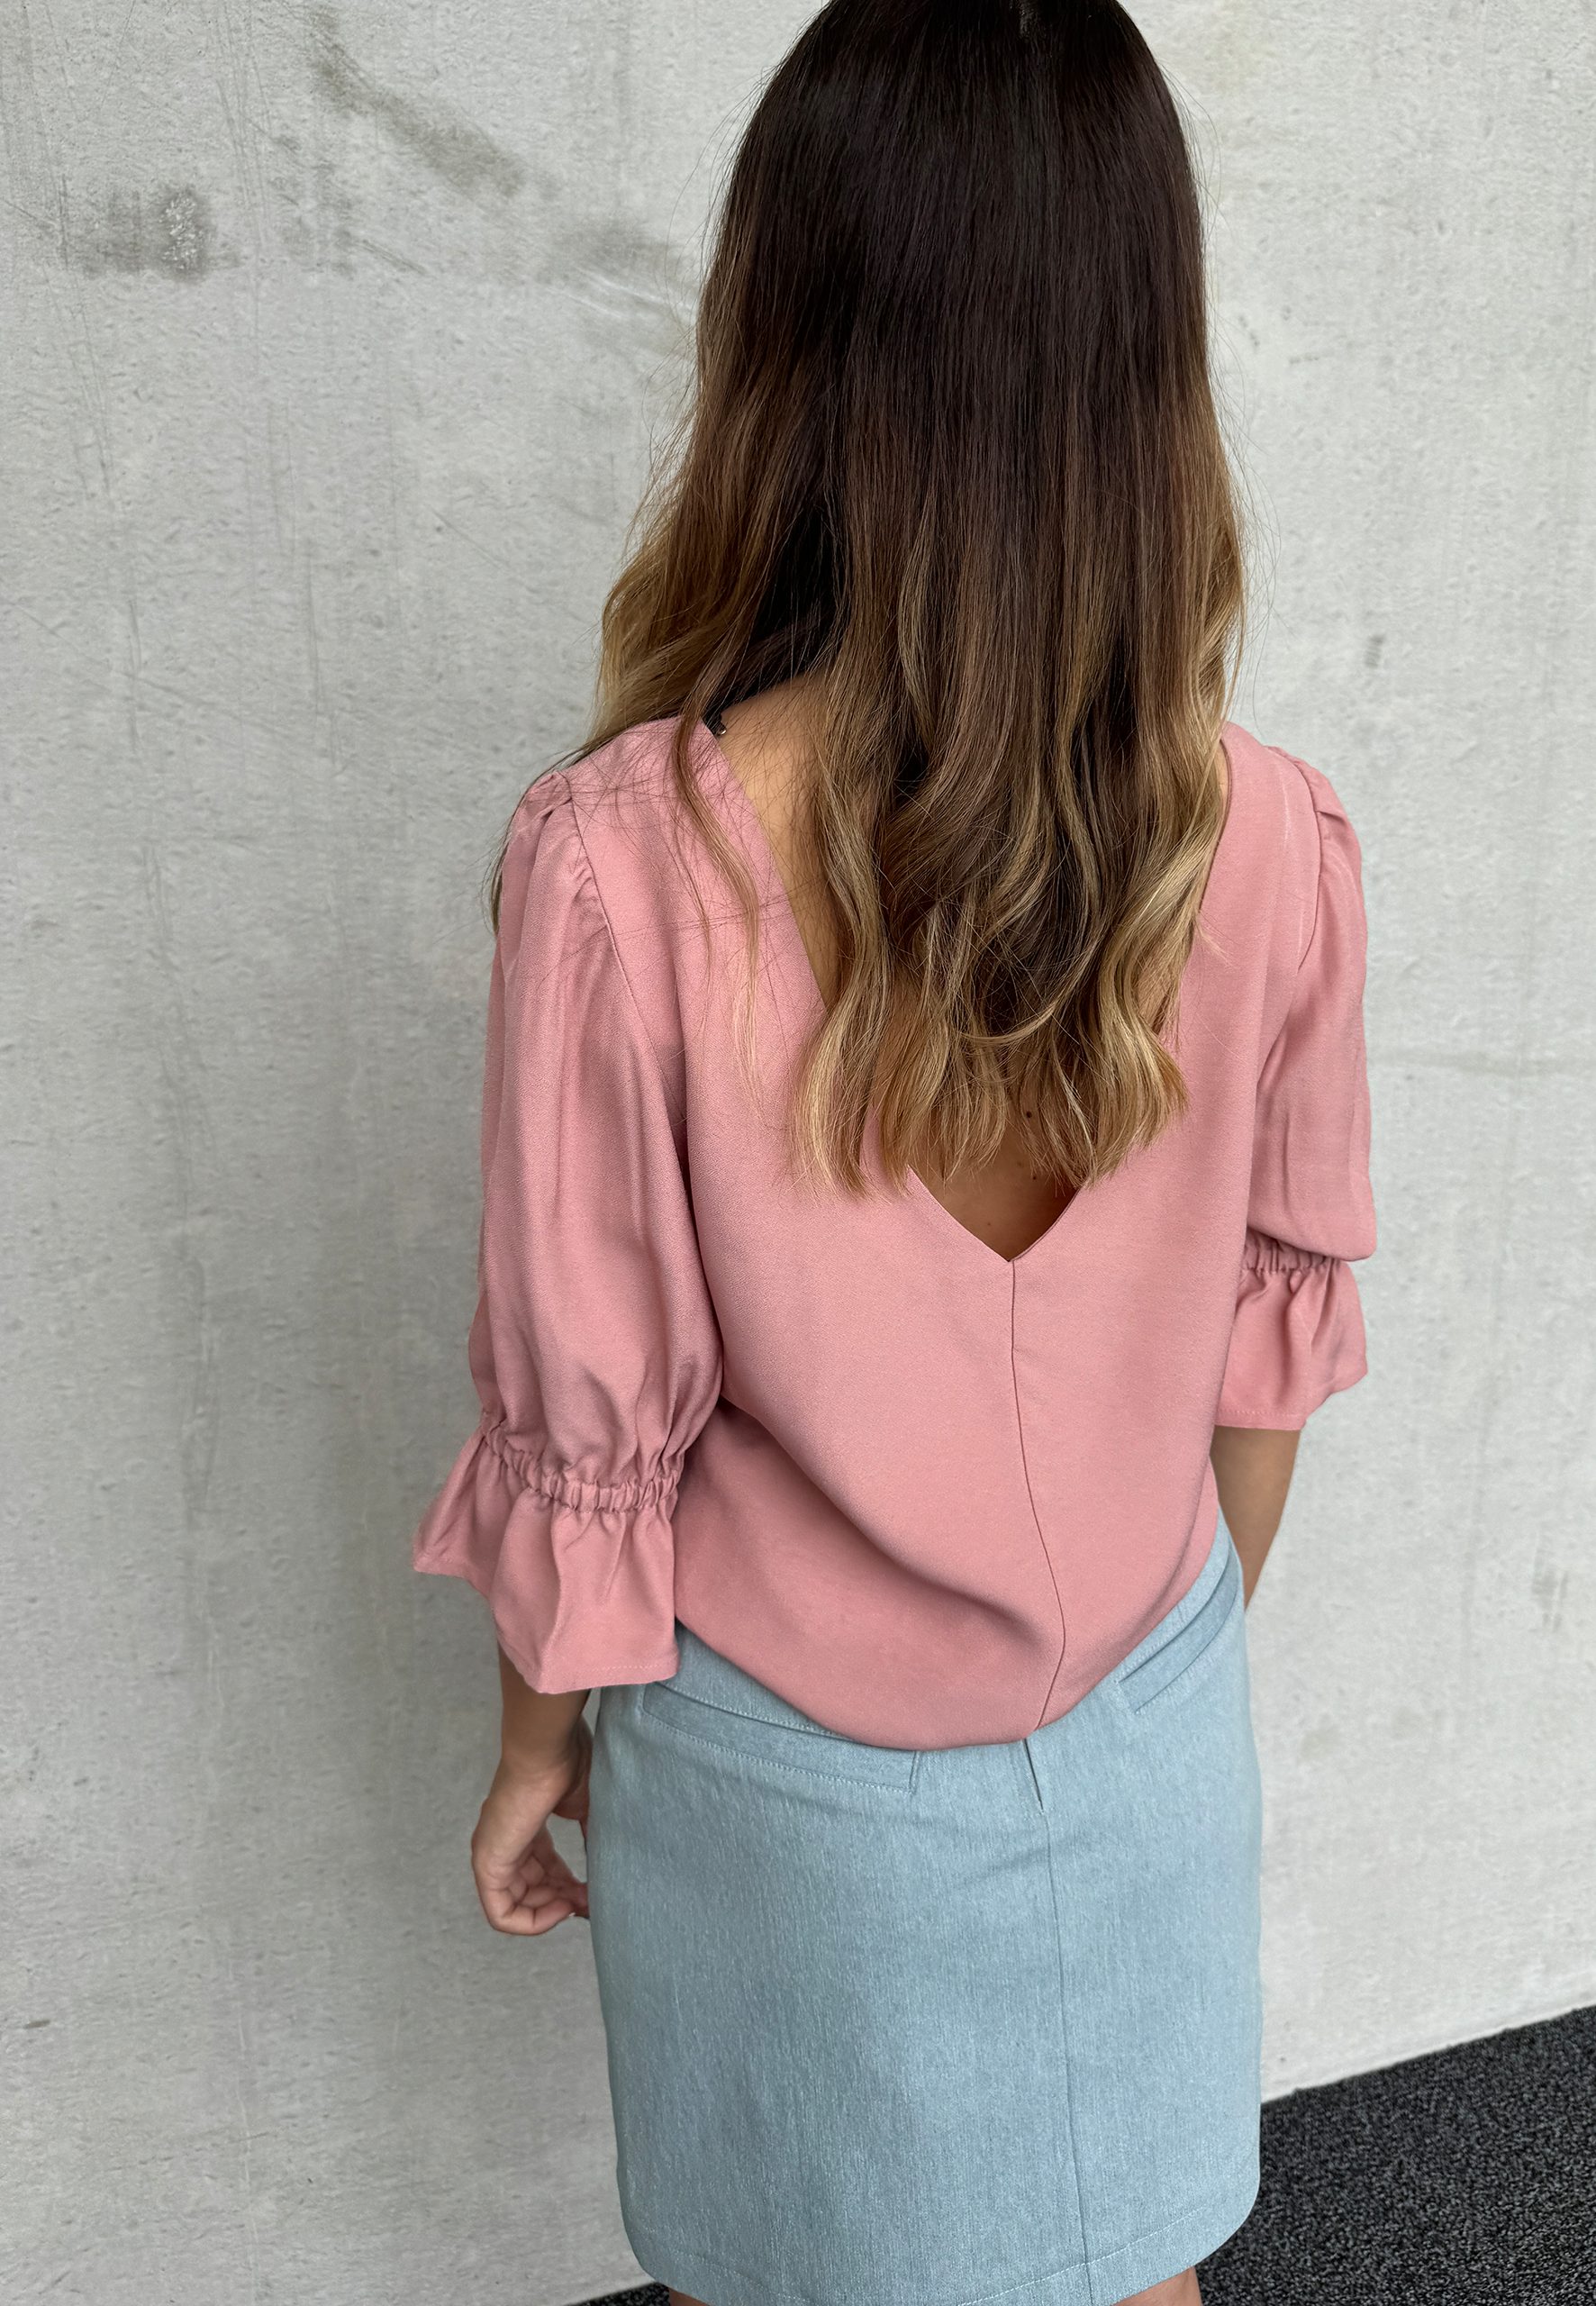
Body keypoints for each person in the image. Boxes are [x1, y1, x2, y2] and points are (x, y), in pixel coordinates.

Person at [411, 4, 1375, 2301]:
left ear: (786, 341)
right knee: (1131, 2268)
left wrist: (537, 1746)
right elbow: (1261, 1386)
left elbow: (588, 1430)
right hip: (1146, 1733)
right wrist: (1122, 1702)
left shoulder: (620, 872)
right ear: (1146, 362)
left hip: (794, 1803)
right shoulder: (1272, 841)